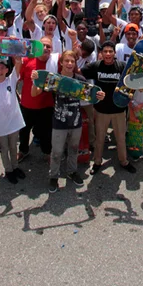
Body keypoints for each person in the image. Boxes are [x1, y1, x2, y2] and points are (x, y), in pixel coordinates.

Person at [33, 50, 103, 192]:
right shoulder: (54, 79)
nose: (69, 64)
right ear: (61, 63)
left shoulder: (80, 80)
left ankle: (72, 172)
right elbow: (34, 93)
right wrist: (34, 81)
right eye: (67, 61)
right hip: (59, 122)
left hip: (76, 122)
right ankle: (53, 176)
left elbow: (92, 96)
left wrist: (100, 95)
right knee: (57, 152)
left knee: (73, 149)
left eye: (72, 61)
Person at [81, 41, 137, 174]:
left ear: (114, 53)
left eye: (110, 51)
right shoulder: (95, 66)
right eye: (105, 51)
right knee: (99, 139)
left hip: (119, 110)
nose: (107, 54)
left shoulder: (122, 66)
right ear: (101, 53)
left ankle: (124, 161)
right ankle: (97, 162)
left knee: (120, 138)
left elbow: (133, 80)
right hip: (101, 111)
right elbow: (79, 75)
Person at [0, 57, 26, 185]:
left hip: (14, 122)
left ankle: (15, 167)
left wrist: (17, 57)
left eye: (2, 68)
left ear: (7, 70)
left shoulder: (11, 80)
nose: (0, 71)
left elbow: (18, 64)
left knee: (14, 146)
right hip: (1, 124)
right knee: (4, 149)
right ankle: (8, 170)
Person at [18, 37, 58, 160]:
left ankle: (47, 152)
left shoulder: (54, 64)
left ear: (52, 49)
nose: (45, 48)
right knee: (24, 132)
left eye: (48, 46)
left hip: (46, 106)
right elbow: (16, 79)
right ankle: (23, 151)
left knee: (46, 132)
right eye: (43, 45)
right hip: (26, 105)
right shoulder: (26, 60)